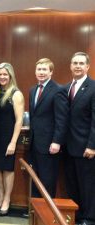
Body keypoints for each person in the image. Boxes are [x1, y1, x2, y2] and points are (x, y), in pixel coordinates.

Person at [29, 58, 69, 198]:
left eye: (44, 69)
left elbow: (62, 119)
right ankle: (34, 210)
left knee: (47, 180)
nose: (41, 72)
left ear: (51, 72)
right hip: (34, 143)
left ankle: (46, 212)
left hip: (50, 145)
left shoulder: (58, 90)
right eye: (39, 69)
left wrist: (57, 141)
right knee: (35, 178)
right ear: (35, 72)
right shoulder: (33, 90)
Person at [0, 62, 24, 216]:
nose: (2, 77)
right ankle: (1, 195)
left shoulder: (16, 94)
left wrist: (13, 142)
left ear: (10, 76)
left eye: (5, 74)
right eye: (0, 74)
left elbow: (19, 120)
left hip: (8, 137)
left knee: (7, 169)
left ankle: (7, 199)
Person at [65, 52, 95, 225]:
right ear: (70, 66)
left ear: (87, 66)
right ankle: (76, 216)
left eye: (81, 63)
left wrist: (92, 145)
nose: (77, 66)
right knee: (72, 184)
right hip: (68, 147)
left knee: (87, 185)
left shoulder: (93, 87)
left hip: (86, 147)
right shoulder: (67, 87)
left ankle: (89, 218)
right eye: (74, 63)